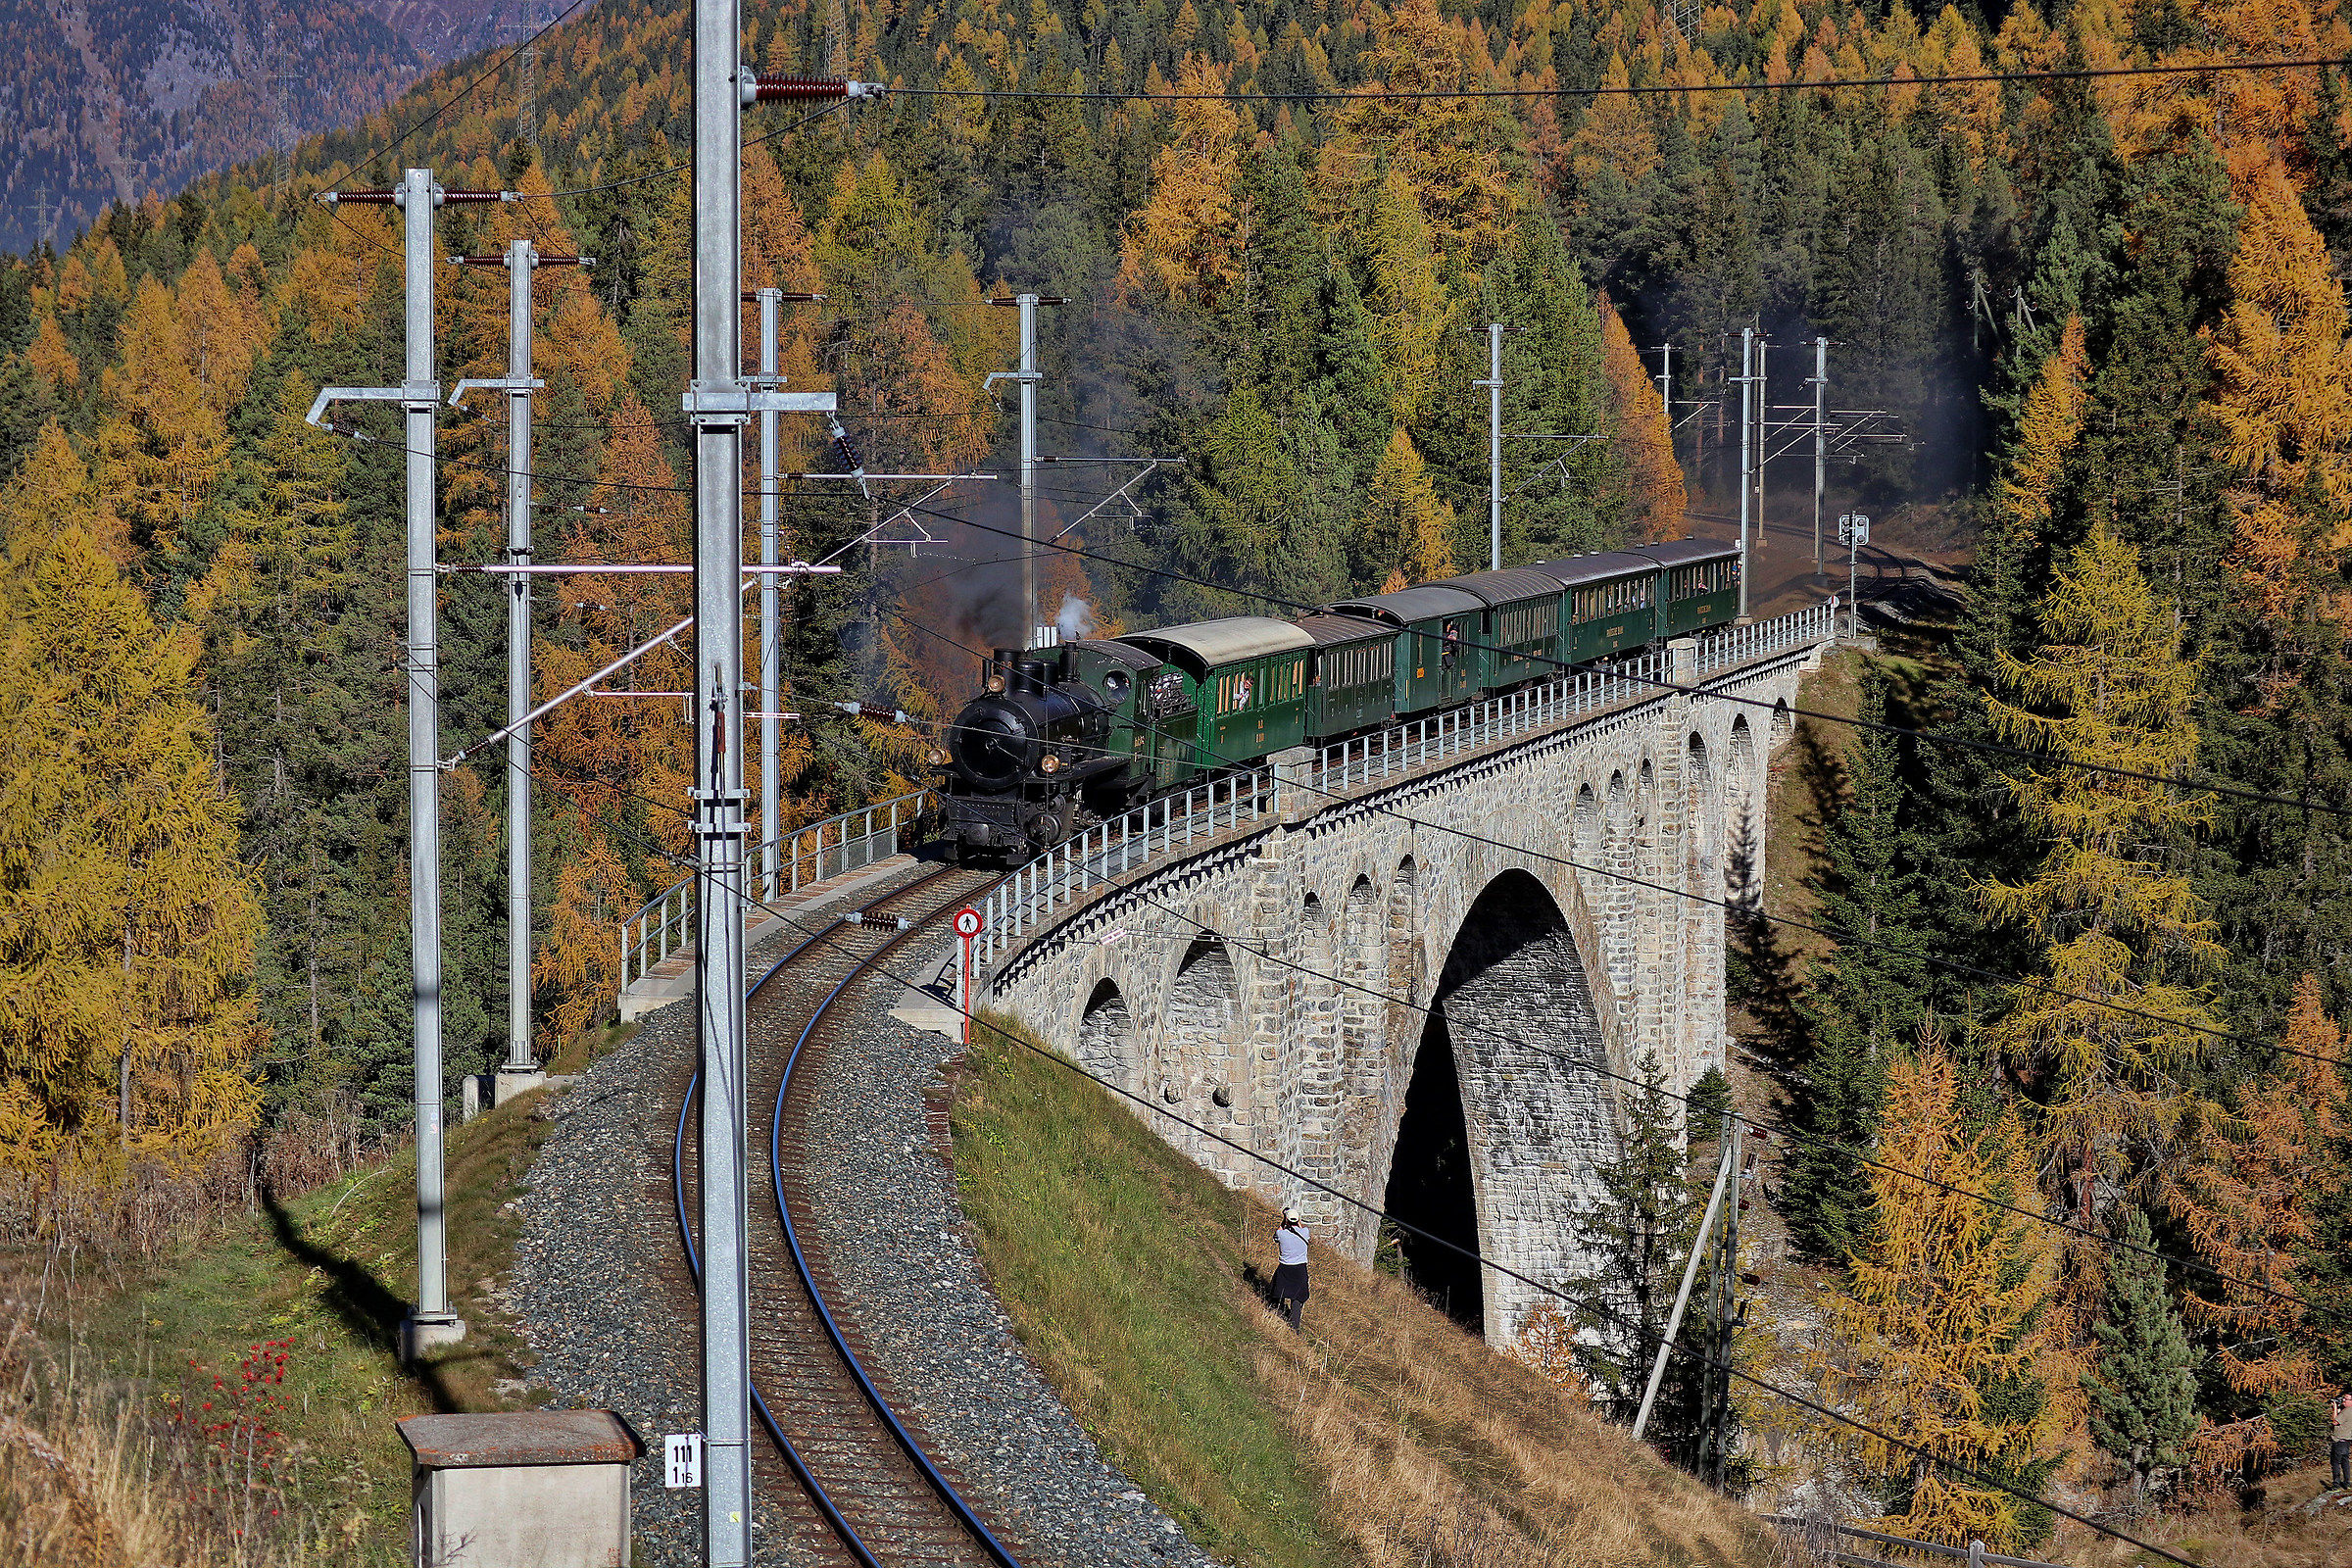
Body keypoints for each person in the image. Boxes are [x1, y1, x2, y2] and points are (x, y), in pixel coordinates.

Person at [1274, 1209, 1310, 1333]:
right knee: (1297, 1297)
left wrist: (1285, 1219)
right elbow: (1300, 1226)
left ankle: (1278, 1313)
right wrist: (1296, 1219)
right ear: (1298, 1220)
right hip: (1300, 1269)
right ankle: (1295, 1327)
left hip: (1285, 1268)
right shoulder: (1305, 1232)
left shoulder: (1281, 1234)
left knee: (1278, 1292)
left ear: (1287, 1220)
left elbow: (1280, 1229)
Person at [2332, 1391, 2352, 1490]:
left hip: (2339, 1441)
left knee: (2335, 1462)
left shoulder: (2347, 1411)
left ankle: (2336, 1484)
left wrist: (2335, 1407)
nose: (2343, 1400)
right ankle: (2347, 1483)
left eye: (2346, 1399)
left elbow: (2335, 1421)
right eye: (2343, 1398)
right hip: (2347, 1441)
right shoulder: (2348, 1411)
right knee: (2345, 1462)